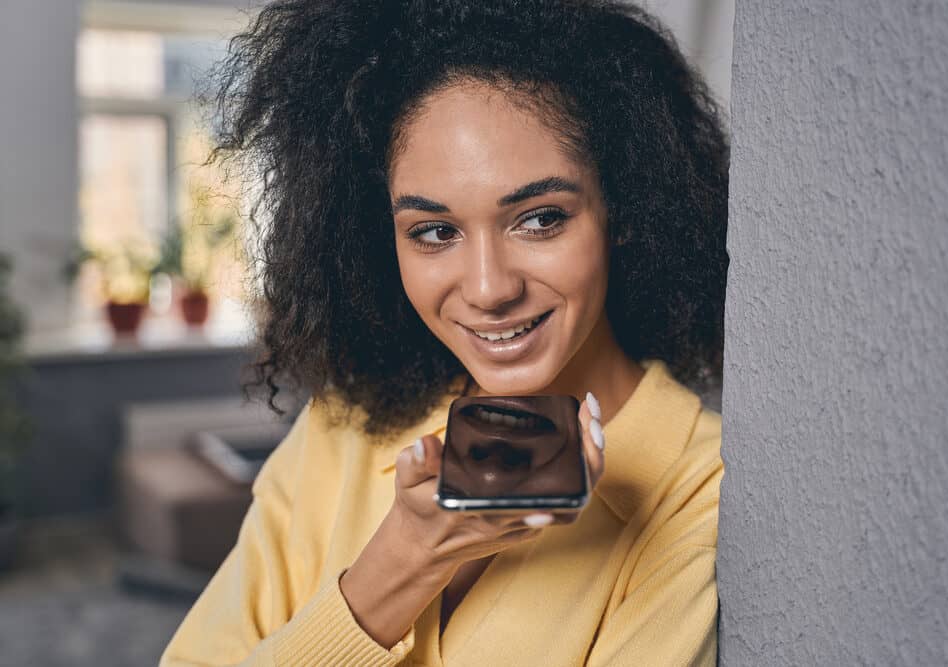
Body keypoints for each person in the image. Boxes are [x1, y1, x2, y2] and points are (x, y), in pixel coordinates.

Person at [160, 0, 728, 664]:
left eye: (540, 219)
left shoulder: (697, 488)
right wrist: (392, 572)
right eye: (435, 231)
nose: (489, 288)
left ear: (621, 207)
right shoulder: (343, 427)